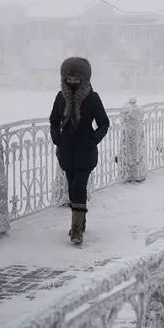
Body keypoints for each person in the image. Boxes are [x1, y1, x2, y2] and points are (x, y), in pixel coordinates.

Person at [49, 57, 110, 245]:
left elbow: (103, 123)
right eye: (69, 78)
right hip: (66, 151)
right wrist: (57, 138)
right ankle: (81, 221)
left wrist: (92, 140)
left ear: (85, 79)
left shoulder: (93, 98)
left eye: (77, 79)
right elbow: (54, 120)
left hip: (85, 152)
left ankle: (76, 230)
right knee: (71, 187)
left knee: (79, 187)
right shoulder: (61, 97)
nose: (73, 82)